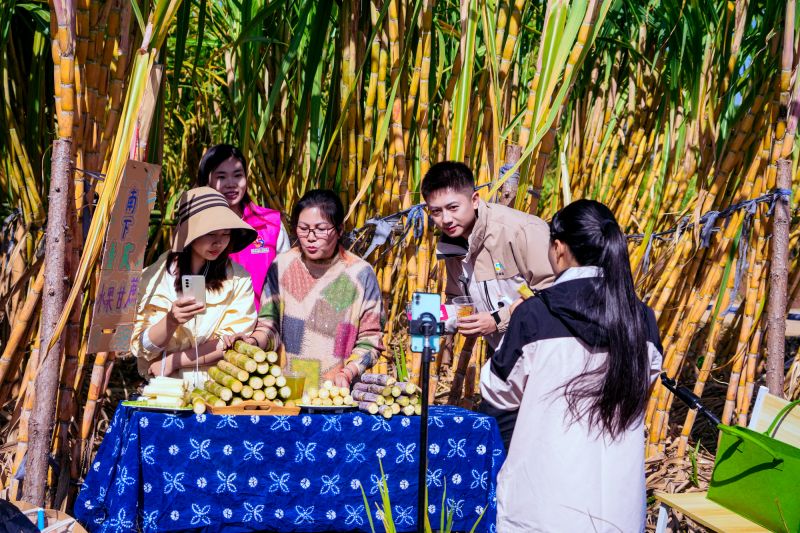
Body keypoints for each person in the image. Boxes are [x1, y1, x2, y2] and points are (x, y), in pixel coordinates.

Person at [481, 199, 663, 532]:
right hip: (618, 509)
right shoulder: (642, 320)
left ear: (559, 248)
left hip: (543, 506)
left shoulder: (535, 315)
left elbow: (498, 392)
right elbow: (645, 382)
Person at [421, 161, 554, 448]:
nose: (445, 218)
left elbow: (553, 294)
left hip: (548, 363)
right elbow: (459, 300)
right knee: (503, 447)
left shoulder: (520, 231)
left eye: (453, 207)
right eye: (436, 211)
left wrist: (497, 319)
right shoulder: (451, 245)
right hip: (507, 362)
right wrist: (432, 319)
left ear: (475, 199)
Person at [243, 189, 384, 389]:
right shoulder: (282, 266)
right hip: (287, 391)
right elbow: (268, 326)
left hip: (338, 394)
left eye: (320, 229)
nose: (310, 237)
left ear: (340, 229)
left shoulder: (359, 273)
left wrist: (349, 372)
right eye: (303, 228)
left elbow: (370, 340)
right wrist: (253, 342)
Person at [130, 187, 259, 383]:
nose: (219, 242)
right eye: (210, 234)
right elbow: (141, 346)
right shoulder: (154, 277)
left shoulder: (239, 279)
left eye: (225, 234)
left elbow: (231, 342)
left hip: (218, 385)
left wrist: (174, 361)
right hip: (164, 390)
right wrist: (171, 321)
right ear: (188, 233)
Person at [197, 144, 290, 309]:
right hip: (212, 331)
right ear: (207, 181)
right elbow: (188, 280)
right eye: (221, 177)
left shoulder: (271, 224)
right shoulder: (195, 227)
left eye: (238, 175)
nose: (231, 183)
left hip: (262, 329)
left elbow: (287, 283)